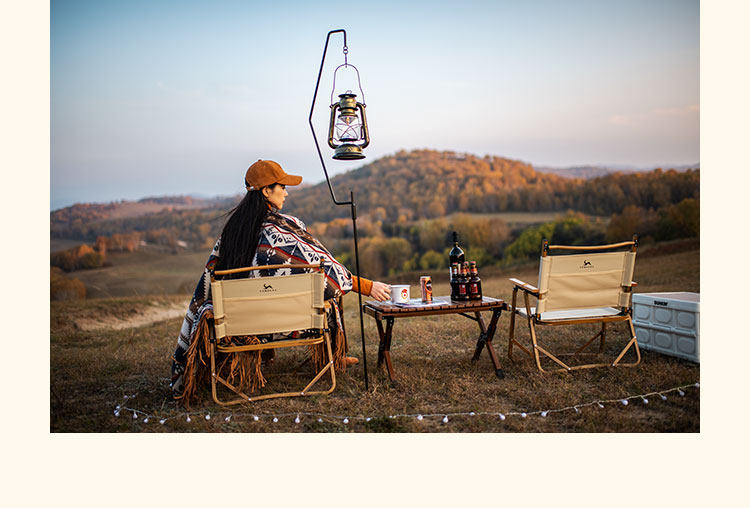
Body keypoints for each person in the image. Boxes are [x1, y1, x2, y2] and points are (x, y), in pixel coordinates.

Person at [170, 159, 390, 402]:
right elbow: (332, 274)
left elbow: (206, 288)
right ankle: (332, 356)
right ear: (266, 191)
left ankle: (252, 357)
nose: (286, 192)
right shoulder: (286, 229)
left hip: (238, 328)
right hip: (292, 324)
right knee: (324, 290)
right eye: (282, 187)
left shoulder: (231, 233)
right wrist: (368, 287)